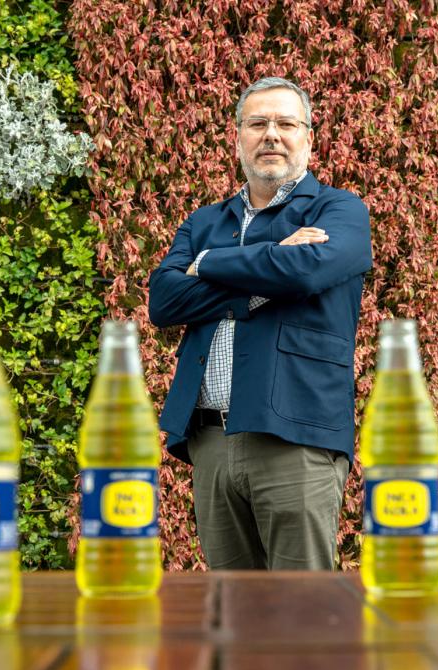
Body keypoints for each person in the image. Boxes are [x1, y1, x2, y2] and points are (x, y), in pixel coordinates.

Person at [148, 77, 372, 571]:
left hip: (296, 436)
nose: (271, 134)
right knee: (230, 610)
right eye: (258, 123)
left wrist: (205, 263)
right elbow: (163, 301)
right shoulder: (204, 220)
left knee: (299, 613)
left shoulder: (340, 210)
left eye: (286, 123)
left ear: (308, 137)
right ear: (238, 137)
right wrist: (263, 271)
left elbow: (305, 271)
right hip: (210, 442)